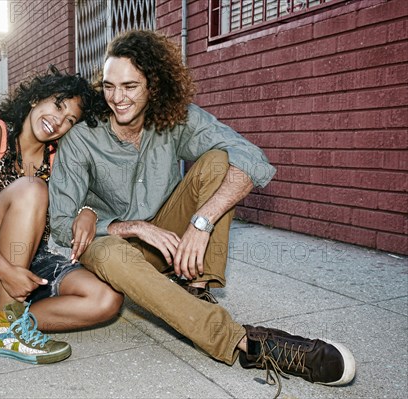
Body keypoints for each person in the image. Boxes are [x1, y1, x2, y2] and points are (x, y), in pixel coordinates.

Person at [49, 30, 355, 396]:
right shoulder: (82, 138)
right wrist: (135, 228)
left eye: (130, 86)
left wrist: (201, 221)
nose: (117, 98)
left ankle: (194, 286)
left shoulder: (174, 120)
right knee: (110, 252)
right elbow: (61, 225)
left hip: (171, 238)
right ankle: (249, 344)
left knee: (218, 162)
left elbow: (250, 157)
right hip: (111, 242)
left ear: (154, 85)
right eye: (110, 86)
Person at [0, 66, 123, 364]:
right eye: (57, 105)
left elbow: (87, 195)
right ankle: (10, 332)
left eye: (70, 120)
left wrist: (88, 210)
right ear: (36, 99)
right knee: (32, 188)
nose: (58, 121)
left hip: (29, 259)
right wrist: (5, 270)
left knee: (106, 300)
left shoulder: (58, 156)